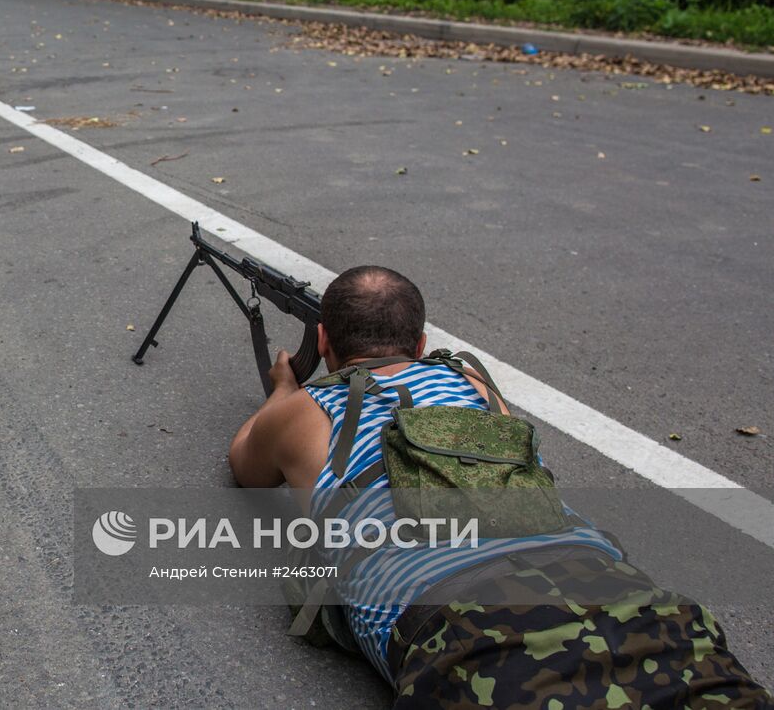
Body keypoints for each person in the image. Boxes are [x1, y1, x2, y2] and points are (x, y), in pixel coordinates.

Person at [228, 265, 772, 709]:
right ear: (421, 342)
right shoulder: (473, 382)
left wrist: (282, 389)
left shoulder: (303, 410)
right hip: (619, 587)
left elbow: (246, 467)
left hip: (466, 633)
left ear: (322, 340)